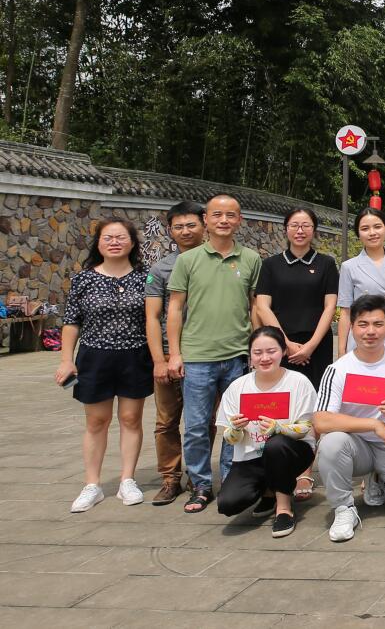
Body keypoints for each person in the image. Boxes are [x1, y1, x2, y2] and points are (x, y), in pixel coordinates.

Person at [166, 194, 262, 514]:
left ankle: (232, 478)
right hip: (197, 357)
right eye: (217, 215)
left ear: (239, 220)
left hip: (238, 356)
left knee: (237, 424)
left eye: (230, 215)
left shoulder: (251, 259)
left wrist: (258, 348)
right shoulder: (188, 260)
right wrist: (175, 353)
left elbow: (255, 306)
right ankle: (201, 484)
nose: (224, 220)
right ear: (206, 220)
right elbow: (175, 309)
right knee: (196, 426)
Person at [56, 218, 152, 513]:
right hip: (94, 357)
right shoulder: (83, 279)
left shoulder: (145, 278)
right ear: (98, 243)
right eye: (107, 237)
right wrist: (66, 360)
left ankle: (127, 480)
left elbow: (153, 319)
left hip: (135, 355)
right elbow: (71, 321)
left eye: (121, 237)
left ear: (132, 243)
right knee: (96, 421)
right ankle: (92, 484)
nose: (114, 242)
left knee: (130, 419)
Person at [313, 294, 385, 542]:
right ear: (352, 327)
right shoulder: (338, 369)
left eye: (378, 324)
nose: (370, 331)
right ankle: (344, 508)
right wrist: (373, 424)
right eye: (363, 324)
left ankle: (381, 480)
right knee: (331, 443)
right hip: (356, 447)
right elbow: (320, 420)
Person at [215, 326, 317, 538]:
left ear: (284, 352)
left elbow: (306, 427)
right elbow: (229, 438)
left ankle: (284, 508)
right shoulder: (237, 387)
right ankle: (269, 492)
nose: (264, 358)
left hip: (291, 452)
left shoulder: (298, 382)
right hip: (251, 456)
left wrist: (279, 428)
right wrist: (235, 428)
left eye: (271, 351)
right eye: (257, 352)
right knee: (228, 504)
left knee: (276, 444)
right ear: (250, 355)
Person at [144, 200, 207, 506]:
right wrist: (160, 359)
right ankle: (170, 479)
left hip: (205, 355)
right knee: (167, 421)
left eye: (191, 225)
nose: (185, 231)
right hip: (170, 356)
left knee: (204, 421)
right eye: (178, 226)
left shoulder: (215, 262)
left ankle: (198, 478)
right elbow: (152, 316)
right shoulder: (161, 268)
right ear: (169, 230)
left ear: (204, 225)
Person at [254, 208, 339, 388]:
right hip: (280, 344)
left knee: (317, 393)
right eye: (294, 225)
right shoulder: (270, 265)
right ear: (286, 228)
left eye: (306, 225)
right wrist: (286, 343)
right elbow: (262, 307)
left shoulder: (327, 264)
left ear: (314, 230)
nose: (300, 231)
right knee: (281, 393)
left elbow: (330, 306)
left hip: (318, 344)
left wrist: (311, 346)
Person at [336, 208, 385, 354]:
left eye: (377, 227)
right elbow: (346, 312)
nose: (372, 233)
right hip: (363, 337)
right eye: (365, 228)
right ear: (358, 234)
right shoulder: (349, 267)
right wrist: (341, 351)